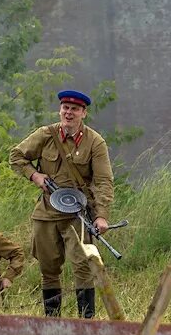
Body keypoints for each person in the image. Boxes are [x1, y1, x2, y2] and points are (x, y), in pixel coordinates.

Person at [9, 90, 114, 318]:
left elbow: (104, 181)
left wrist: (101, 215)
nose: (69, 113)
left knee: (83, 268)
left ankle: (86, 326)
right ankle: (52, 325)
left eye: (75, 109)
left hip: (78, 216)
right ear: (60, 110)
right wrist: (34, 176)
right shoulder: (46, 135)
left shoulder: (95, 142)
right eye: (65, 107)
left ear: (83, 113)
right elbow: (16, 156)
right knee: (48, 270)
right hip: (46, 213)